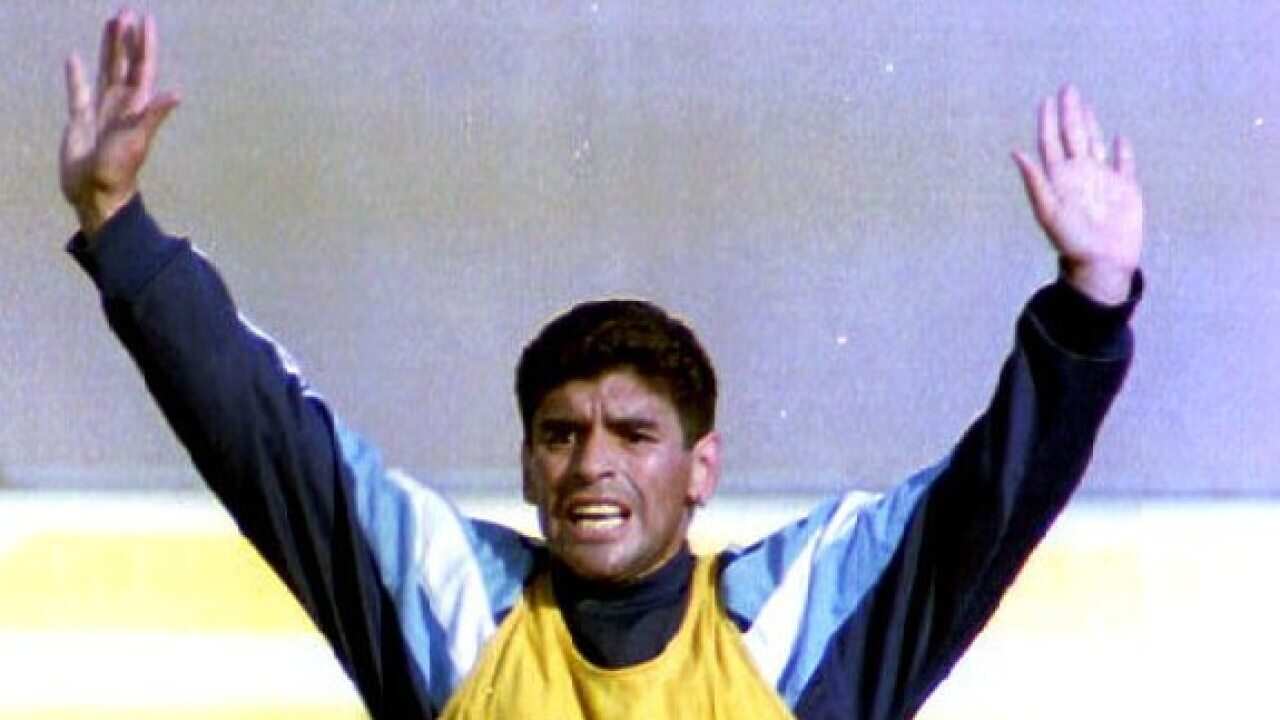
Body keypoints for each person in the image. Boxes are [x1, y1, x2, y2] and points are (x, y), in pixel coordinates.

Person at [60, 9, 1143, 720]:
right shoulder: (455, 613)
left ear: (702, 467)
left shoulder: (792, 625)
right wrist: (118, 226)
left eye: (634, 434)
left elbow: (987, 501)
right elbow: (265, 438)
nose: (590, 464)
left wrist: (1090, 301)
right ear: (526, 465)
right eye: (560, 434)